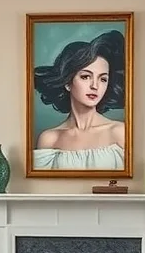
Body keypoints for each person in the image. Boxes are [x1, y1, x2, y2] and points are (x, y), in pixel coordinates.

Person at [33, 29, 125, 170]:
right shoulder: (49, 139)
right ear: (68, 83)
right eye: (85, 76)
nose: (95, 86)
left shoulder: (120, 132)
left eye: (103, 79)